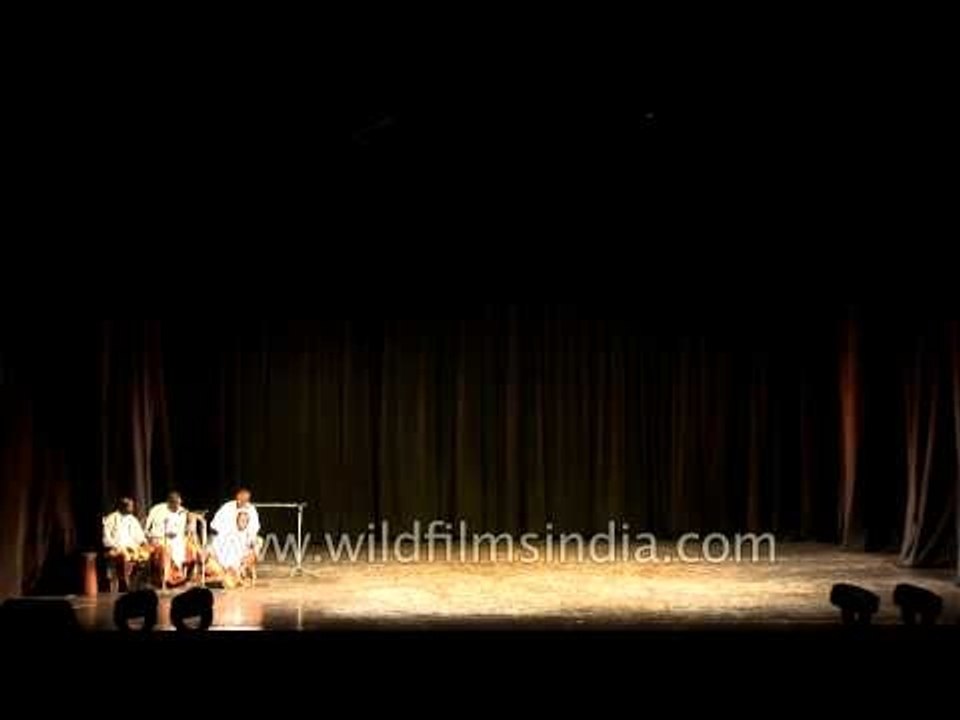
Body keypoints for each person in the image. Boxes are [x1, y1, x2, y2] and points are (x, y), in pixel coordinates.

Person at [145, 492, 199, 587]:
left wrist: (191, 521)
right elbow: (147, 531)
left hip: (178, 540)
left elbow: (185, 530)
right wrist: (163, 534)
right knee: (167, 549)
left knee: (192, 549)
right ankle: (167, 579)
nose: (177, 507)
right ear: (169, 502)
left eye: (179, 504)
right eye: (174, 504)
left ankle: (186, 578)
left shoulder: (182, 511)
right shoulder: (157, 510)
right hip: (160, 538)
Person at [102, 498, 149, 592]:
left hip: (132, 548)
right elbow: (106, 539)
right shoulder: (111, 518)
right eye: (131, 506)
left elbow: (139, 535)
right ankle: (125, 585)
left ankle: (136, 584)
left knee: (146, 555)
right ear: (124, 506)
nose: (133, 508)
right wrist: (117, 547)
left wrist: (143, 542)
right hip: (117, 548)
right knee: (125, 556)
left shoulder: (132, 519)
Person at [208, 509, 259, 588]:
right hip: (222, 563)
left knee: (252, 554)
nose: (243, 522)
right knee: (210, 561)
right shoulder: (227, 532)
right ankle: (222, 578)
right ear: (237, 520)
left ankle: (227, 578)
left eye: (246, 521)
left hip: (237, 564)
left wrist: (243, 565)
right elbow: (214, 546)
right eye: (242, 520)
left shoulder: (248, 534)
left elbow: (254, 548)